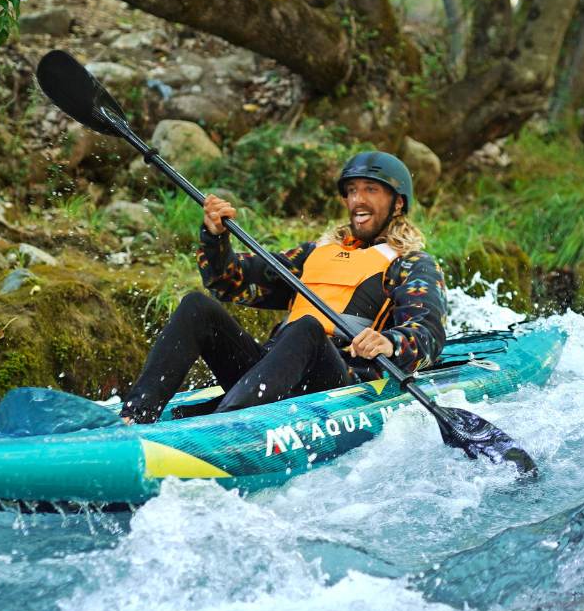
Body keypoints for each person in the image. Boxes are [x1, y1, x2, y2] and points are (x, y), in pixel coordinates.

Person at [119, 151, 449, 424]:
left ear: (398, 203)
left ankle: (229, 426)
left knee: (307, 327)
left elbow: (429, 335)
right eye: (351, 191)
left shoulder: (411, 264)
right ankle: (136, 416)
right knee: (197, 307)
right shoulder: (313, 255)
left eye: (371, 190)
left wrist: (388, 342)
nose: (357, 200)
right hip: (273, 375)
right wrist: (215, 237)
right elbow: (229, 281)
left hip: (339, 383)